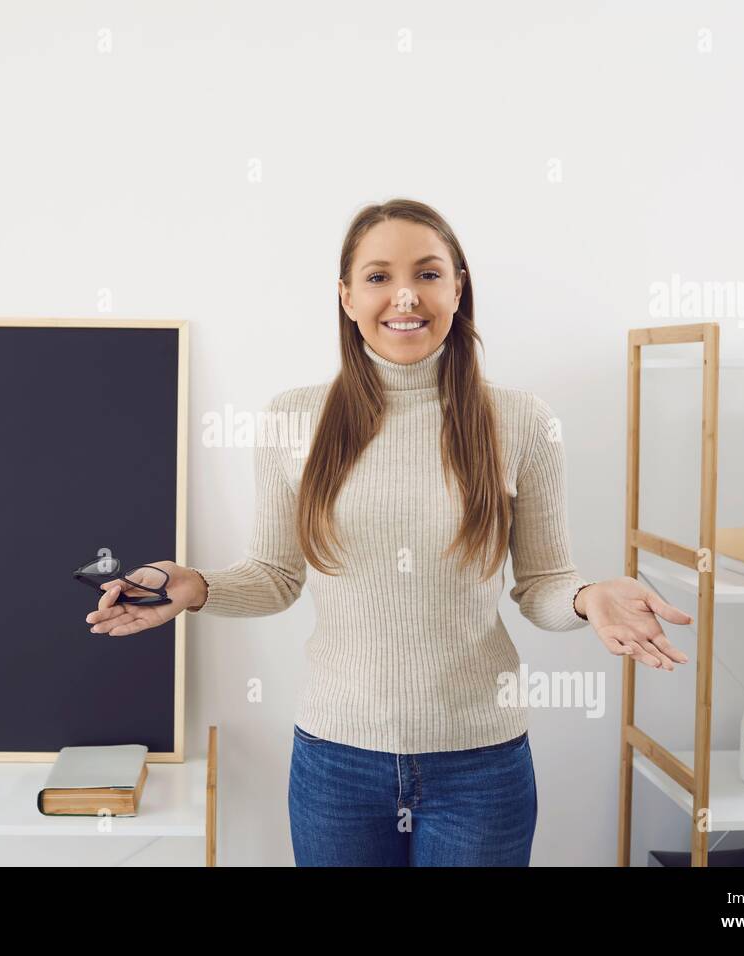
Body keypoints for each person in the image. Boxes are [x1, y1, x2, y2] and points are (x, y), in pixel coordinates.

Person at [84, 198, 693, 866]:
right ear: (346, 297)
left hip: (481, 767)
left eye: (428, 274)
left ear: (459, 287)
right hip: (335, 765)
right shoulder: (294, 418)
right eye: (378, 277)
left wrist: (588, 596)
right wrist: (194, 585)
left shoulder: (522, 421)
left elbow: (544, 583)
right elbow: (275, 576)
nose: (405, 295)